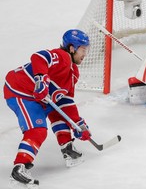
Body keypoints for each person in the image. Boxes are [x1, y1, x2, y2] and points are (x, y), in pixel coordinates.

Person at [4, 29, 91, 188]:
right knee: (37, 131)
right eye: (83, 49)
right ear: (72, 48)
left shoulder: (74, 73)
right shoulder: (62, 56)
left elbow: (65, 101)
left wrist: (78, 123)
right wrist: (40, 80)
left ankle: (68, 149)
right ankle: (19, 168)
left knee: (60, 114)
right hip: (20, 91)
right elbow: (39, 57)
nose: (85, 53)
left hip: (40, 97)